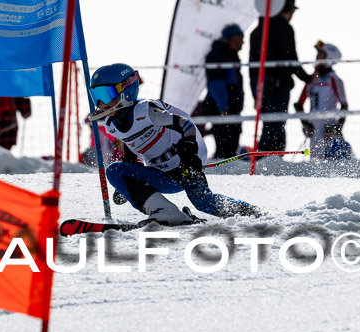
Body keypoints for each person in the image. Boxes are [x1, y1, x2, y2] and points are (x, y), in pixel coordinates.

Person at [88, 63, 260, 226]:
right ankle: (164, 211)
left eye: (105, 95)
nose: (100, 104)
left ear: (124, 90)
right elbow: (131, 145)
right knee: (115, 170)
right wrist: (128, 183)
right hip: (161, 174)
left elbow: (185, 124)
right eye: (96, 97)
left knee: (204, 202)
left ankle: (250, 211)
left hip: (184, 167)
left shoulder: (145, 110)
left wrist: (190, 156)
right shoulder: (111, 125)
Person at [249, 0, 312, 151]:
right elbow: (290, 58)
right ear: (287, 7)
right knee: (275, 123)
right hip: (277, 84)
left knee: (269, 122)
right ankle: (270, 158)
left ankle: (268, 157)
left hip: (260, 85)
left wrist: (254, 89)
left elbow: (252, 66)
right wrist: (308, 78)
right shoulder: (284, 28)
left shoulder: (257, 31)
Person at [294, 40, 352, 159]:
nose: (316, 57)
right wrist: (305, 124)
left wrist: (338, 127)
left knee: (331, 161)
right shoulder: (311, 80)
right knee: (314, 162)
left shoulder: (334, 79)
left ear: (329, 58)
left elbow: (344, 105)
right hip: (314, 129)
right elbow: (298, 104)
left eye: (321, 54)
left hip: (329, 128)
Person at [203, 24, 245, 160]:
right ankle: (223, 174)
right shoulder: (219, 54)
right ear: (232, 38)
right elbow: (216, 83)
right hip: (222, 109)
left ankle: (227, 172)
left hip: (230, 108)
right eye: (240, 37)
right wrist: (223, 107)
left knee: (230, 146)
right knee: (225, 146)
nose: (243, 41)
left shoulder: (230, 55)